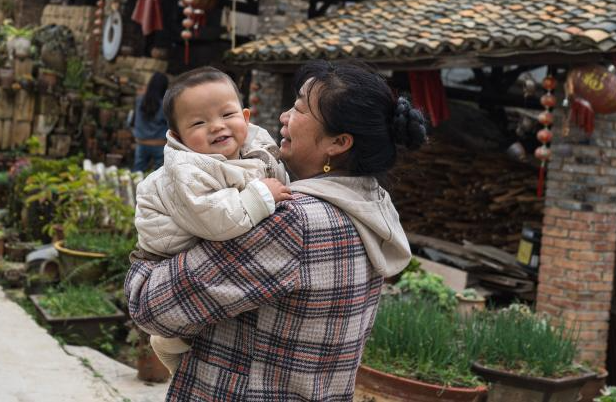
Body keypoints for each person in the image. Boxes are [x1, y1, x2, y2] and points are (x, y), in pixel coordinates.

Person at [126, 60, 426, 401]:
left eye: (299, 109)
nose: (284, 116)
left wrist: (146, 259)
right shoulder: (368, 209)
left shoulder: (293, 223)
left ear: (338, 142)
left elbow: (151, 307)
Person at [133, 66, 293, 372]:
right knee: (194, 310)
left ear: (245, 117)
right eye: (199, 122)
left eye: (227, 114)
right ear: (178, 136)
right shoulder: (186, 170)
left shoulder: (255, 147)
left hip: (202, 237)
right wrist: (262, 195)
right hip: (168, 251)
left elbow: (273, 172)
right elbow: (218, 221)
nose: (217, 126)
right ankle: (169, 342)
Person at [132, 72, 170, 172]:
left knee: (137, 173)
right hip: (159, 144)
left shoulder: (139, 100)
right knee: (159, 175)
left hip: (141, 142)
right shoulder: (165, 104)